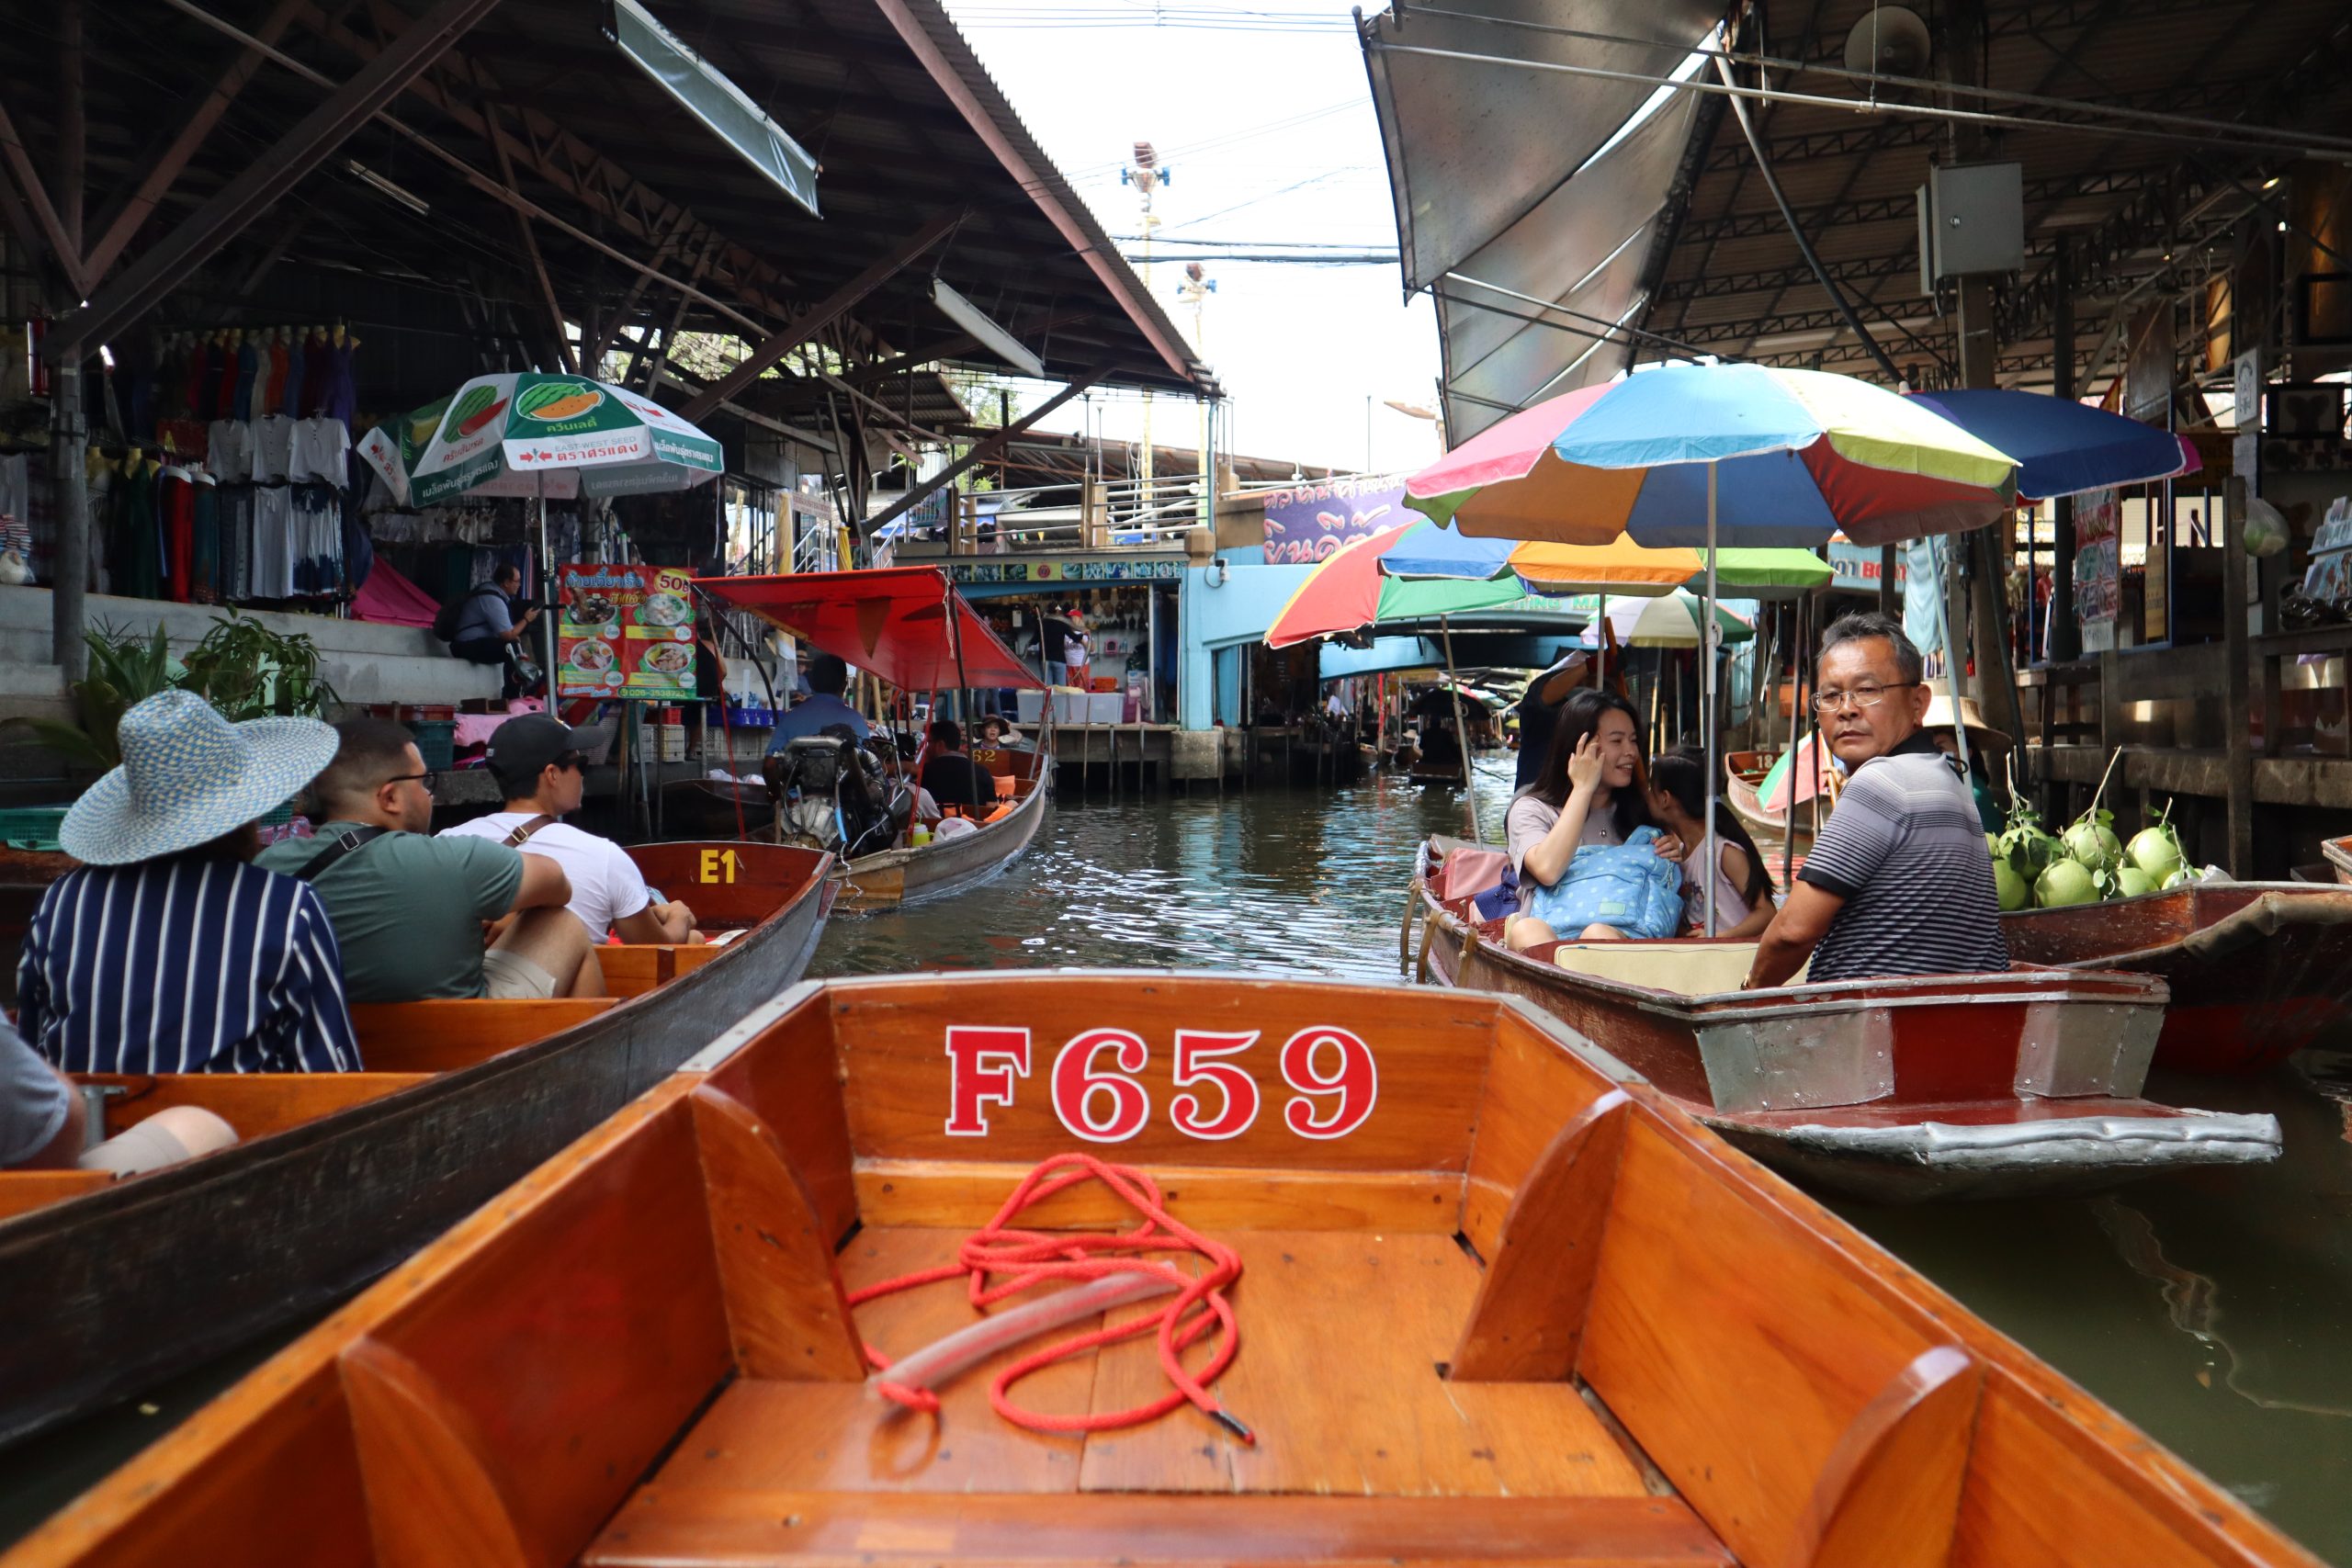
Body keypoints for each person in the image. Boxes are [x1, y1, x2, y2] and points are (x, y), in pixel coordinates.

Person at [17, 691, 360, 1073]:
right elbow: (331, 1070)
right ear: (248, 811)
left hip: (96, 1127)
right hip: (239, 1129)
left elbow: (33, 1053)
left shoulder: (64, 901)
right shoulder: (287, 907)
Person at [1746, 613, 2009, 988]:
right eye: (1831, 695)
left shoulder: (1882, 783)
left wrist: (1747, 993)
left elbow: (1792, 932)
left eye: (1867, 690)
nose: (1847, 709)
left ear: (1918, 703)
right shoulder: (1951, 782)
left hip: (1873, 1030)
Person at [257, 716, 601, 1000]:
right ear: (390, 797)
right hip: (465, 1046)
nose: (428, 795)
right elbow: (557, 882)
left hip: (330, 1048)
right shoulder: (457, 858)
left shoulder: (267, 867)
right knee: (562, 922)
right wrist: (500, 914)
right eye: (424, 782)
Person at [440, 715, 700, 945]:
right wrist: (680, 917)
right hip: (565, 991)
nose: (583, 775)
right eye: (581, 765)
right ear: (552, 774)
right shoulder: (603, 855)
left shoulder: (447, 841)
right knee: (696, 940)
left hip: (468, 989)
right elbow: (656, 950)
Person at [1503, 688, 1684, 950]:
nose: (1631, 752)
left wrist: (1676, 851)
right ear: (1581, 747)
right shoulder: (1531, 808)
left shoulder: (1644, 812)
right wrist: (1583, 789)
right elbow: (1547, 870)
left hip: (1624, 946)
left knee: (1598, 934)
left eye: (1633, 740)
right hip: (1550, 944)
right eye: (1617, 741)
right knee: (1526, 930)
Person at [1644, 750, 1776, 941]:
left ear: (1665, 798)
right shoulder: (1680, 853)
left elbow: (1767, 912)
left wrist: (1720, 937)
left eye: (1651, 790)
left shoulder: (1723, 852)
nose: (1647, 797)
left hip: (1731, 955)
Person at [446, 564, 537, 698]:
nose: (519, 585)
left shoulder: (494, 593)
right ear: (506, 582)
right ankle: (511, 696)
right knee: (509, 647)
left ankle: (521, 691)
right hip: (465, 645)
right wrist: (526, 619)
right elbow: (508, 634)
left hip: (474, 642)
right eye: (517, 581)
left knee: (515, 646)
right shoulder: (492, 599)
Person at [766, 652, 870, 750]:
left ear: (811, 683)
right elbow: (867, 763)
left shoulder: (789, 719)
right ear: (844, 686)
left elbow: (769, 764)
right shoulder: (856, 721)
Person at [919, 719, 995, 817]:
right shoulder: (982, 771)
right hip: (975, 827)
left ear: (940, 745)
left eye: (929, 742)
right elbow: (992, 809)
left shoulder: (925, 772)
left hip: (935, 829)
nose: (927, 748)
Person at [1064, 612, 1092, 689]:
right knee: (1069, 691)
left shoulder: (1085, 632)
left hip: (1082, 666)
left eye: (1071, 617)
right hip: (1069, 666)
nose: (1069, 619)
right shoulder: (1065, 632)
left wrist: (1081, 640)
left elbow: (1092, 649)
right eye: (1068, 618)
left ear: (1078, 618)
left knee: (1082, 689)